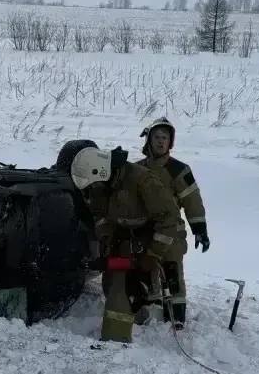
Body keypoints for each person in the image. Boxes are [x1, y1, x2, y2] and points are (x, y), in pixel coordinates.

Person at [59, 140, 180, 343]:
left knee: (123, 288)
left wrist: (152, 255)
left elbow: (169, 219)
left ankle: (117, 339)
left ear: (102, 172)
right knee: (112, 281)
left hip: (155, 239)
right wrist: (108, 247)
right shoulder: (99, 186)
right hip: (126, 239)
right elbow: (101, 217)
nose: (93, 190)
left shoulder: (142, 180)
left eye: (94, 185)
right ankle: (139, 314)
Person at [135, 118, 208, 329]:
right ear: (149, 140)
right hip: (144, 233)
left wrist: (200, 230)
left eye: (164, 138)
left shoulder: (178, 170)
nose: (160, 142)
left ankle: (176, 319)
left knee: (172, 273)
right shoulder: (136, 169)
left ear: (170, 142)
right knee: (145, 272)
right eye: (157, 137)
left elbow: (192, 201)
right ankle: (148, 314)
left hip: (172, 234)